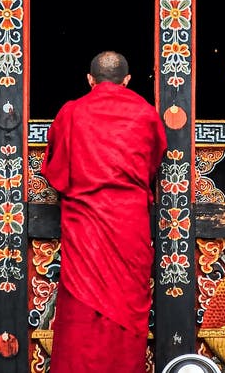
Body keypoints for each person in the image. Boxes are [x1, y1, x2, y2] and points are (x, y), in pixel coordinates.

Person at [43, 51, 167, 373]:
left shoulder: (72, 113)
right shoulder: (146, 114)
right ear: (127, 80)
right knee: (124, 317)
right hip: (129, 225)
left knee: (82, 316)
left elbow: (55, 170)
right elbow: (152, 163)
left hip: (85, 226)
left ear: (90, 79)